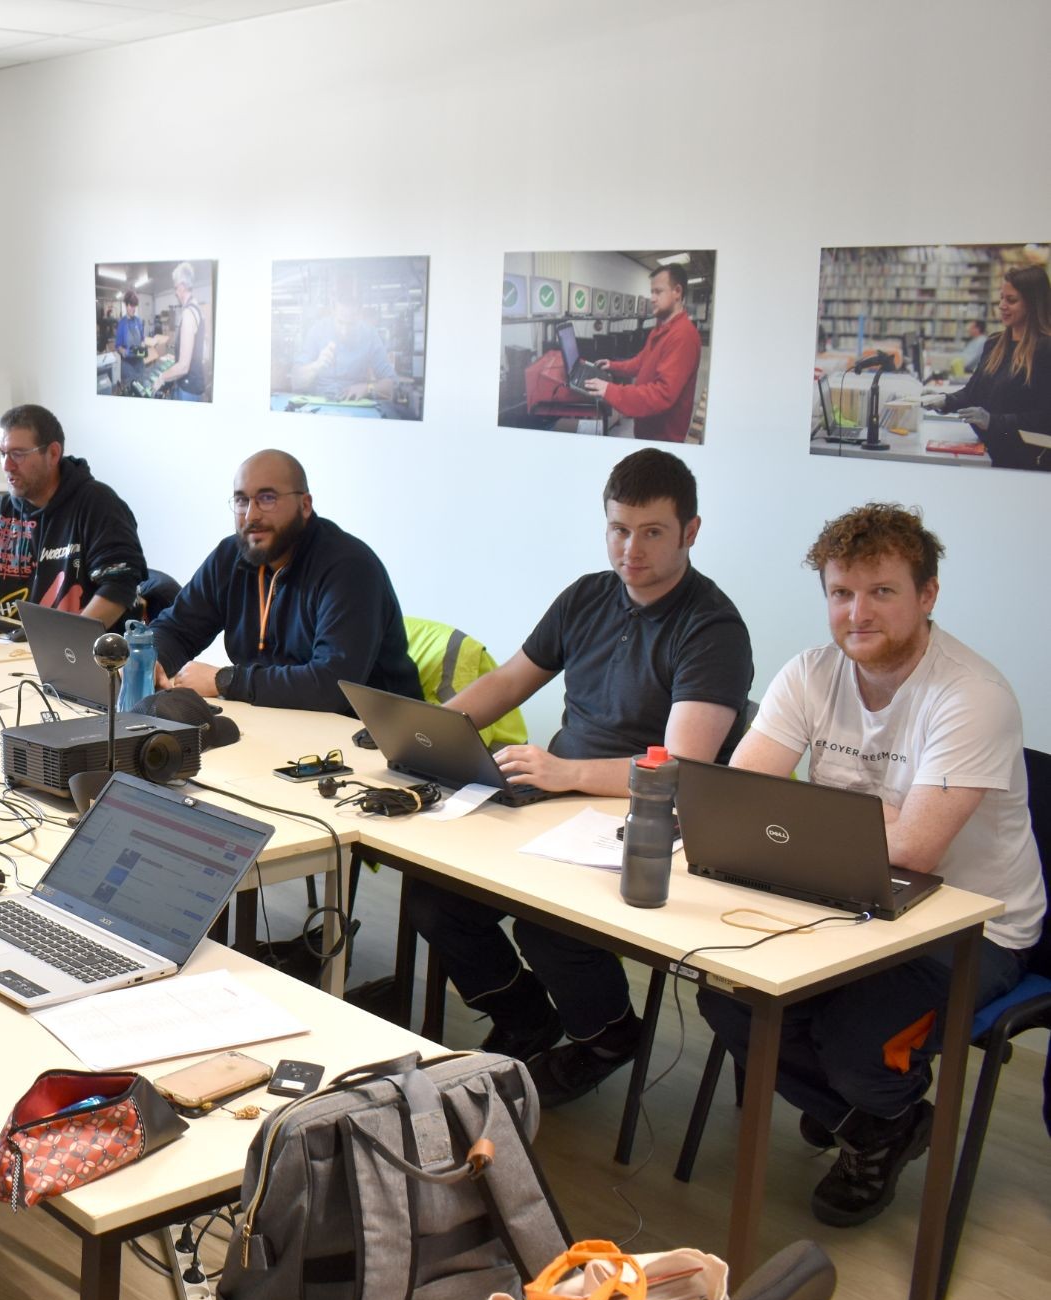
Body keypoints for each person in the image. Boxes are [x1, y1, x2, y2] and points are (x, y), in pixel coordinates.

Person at [699, 504, 1042, 1227]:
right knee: (729, 995)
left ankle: (866, 1101)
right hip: (845, 895)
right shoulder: (810, 672)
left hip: (970, 924)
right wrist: (852, 822)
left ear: (928, 595)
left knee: (853, 1042)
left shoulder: (970, 695)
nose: (858, 613)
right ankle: (878, 1125)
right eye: (840, 593)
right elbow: (743, 795)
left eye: (882, 591)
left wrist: (811, 815)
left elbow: (918, 853)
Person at [405, 448, 753, 1102]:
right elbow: (510, 680)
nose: (632, 549)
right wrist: (429, 730)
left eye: (652, 532)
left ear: (692, 532)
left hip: (639, 821)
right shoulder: (589, 596)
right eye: (619, 530)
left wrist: (564, 772)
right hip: (554, 798)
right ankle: (525, 1016)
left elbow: (678, 769)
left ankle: (610, 1033)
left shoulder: (713, 628)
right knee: (435, 896)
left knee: (546, 922)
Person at [147, 449, 421, 713]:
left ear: (305, 505)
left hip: (366, 735)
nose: (251, 515)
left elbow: (332, 686)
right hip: (276, 719)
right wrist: (150, 660)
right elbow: (177, 628)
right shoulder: (230, 556)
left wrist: (225, 680)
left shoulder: (350, 568)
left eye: (267, 498)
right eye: (242, 500)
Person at [0, 404, 145, 627]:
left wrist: (68, 644)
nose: (7, 466)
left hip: (86, 654)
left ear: (53, 453)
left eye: (17, 454)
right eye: (2, 454)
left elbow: (120, 586)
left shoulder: (98, 505)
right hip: (20, 650)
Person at [928, 266, 1051, 471]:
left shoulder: (1045, 350)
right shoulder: (994, 343)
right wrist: (945, 401)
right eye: (1001, 298)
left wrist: (993, 422)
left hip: (1027, 462)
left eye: (1011, 300)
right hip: (991, 453)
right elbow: (973, 393)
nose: (1002, 306)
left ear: (1033, 304)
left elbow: (1045, 417)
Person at [582, 263, 702, 443]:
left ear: (677, 292)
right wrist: (613, 366)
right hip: (647, 430)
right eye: (651, 292)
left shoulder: (682, 336)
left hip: (663, 438)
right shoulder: (660, 329)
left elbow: (662, 394)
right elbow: (641, 362)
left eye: (658, 292)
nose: (652, 298)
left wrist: (610, 390)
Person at [289, 295, 398, 403]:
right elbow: (296, 381)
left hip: (354, 405)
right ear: (333, 311)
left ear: (360, 315)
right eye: (340, 322)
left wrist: (367, 388)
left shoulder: (370, 335)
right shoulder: (317, 330)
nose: (344, 331)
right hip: (319, 405)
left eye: (351, 324)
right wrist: (317, 365)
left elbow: (391, 385)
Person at [152, 262, 210, 402]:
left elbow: (184, 367)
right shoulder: (197, 308)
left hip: (188, 389)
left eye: (176, 288)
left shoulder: (189, 313)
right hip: (194, 385)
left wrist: (161, 378)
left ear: (183, 287)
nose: (176, 292)